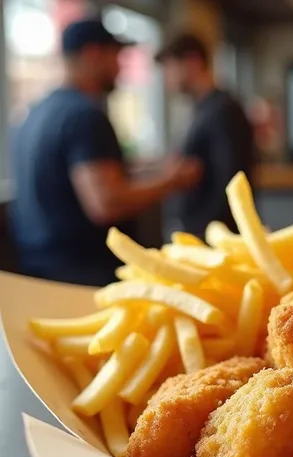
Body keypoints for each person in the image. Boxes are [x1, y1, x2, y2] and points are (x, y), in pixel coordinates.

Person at [10, 19, 200, 286]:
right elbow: (105, 203)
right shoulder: (84, 115)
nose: (120, 67)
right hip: (83, 277)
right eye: (117, 56)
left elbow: (76, 174)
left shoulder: (35, 112)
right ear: (93, 54)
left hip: (35, 270)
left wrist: (152, 167)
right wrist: (173, 181)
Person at [155, 33, 258, 239]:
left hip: (215, 237)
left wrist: (208, 233)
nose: (166, 79)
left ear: (192, 62)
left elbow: (230, 180)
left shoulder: (223, 110)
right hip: (198, 232)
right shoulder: (201, 109)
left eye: (169, 68)